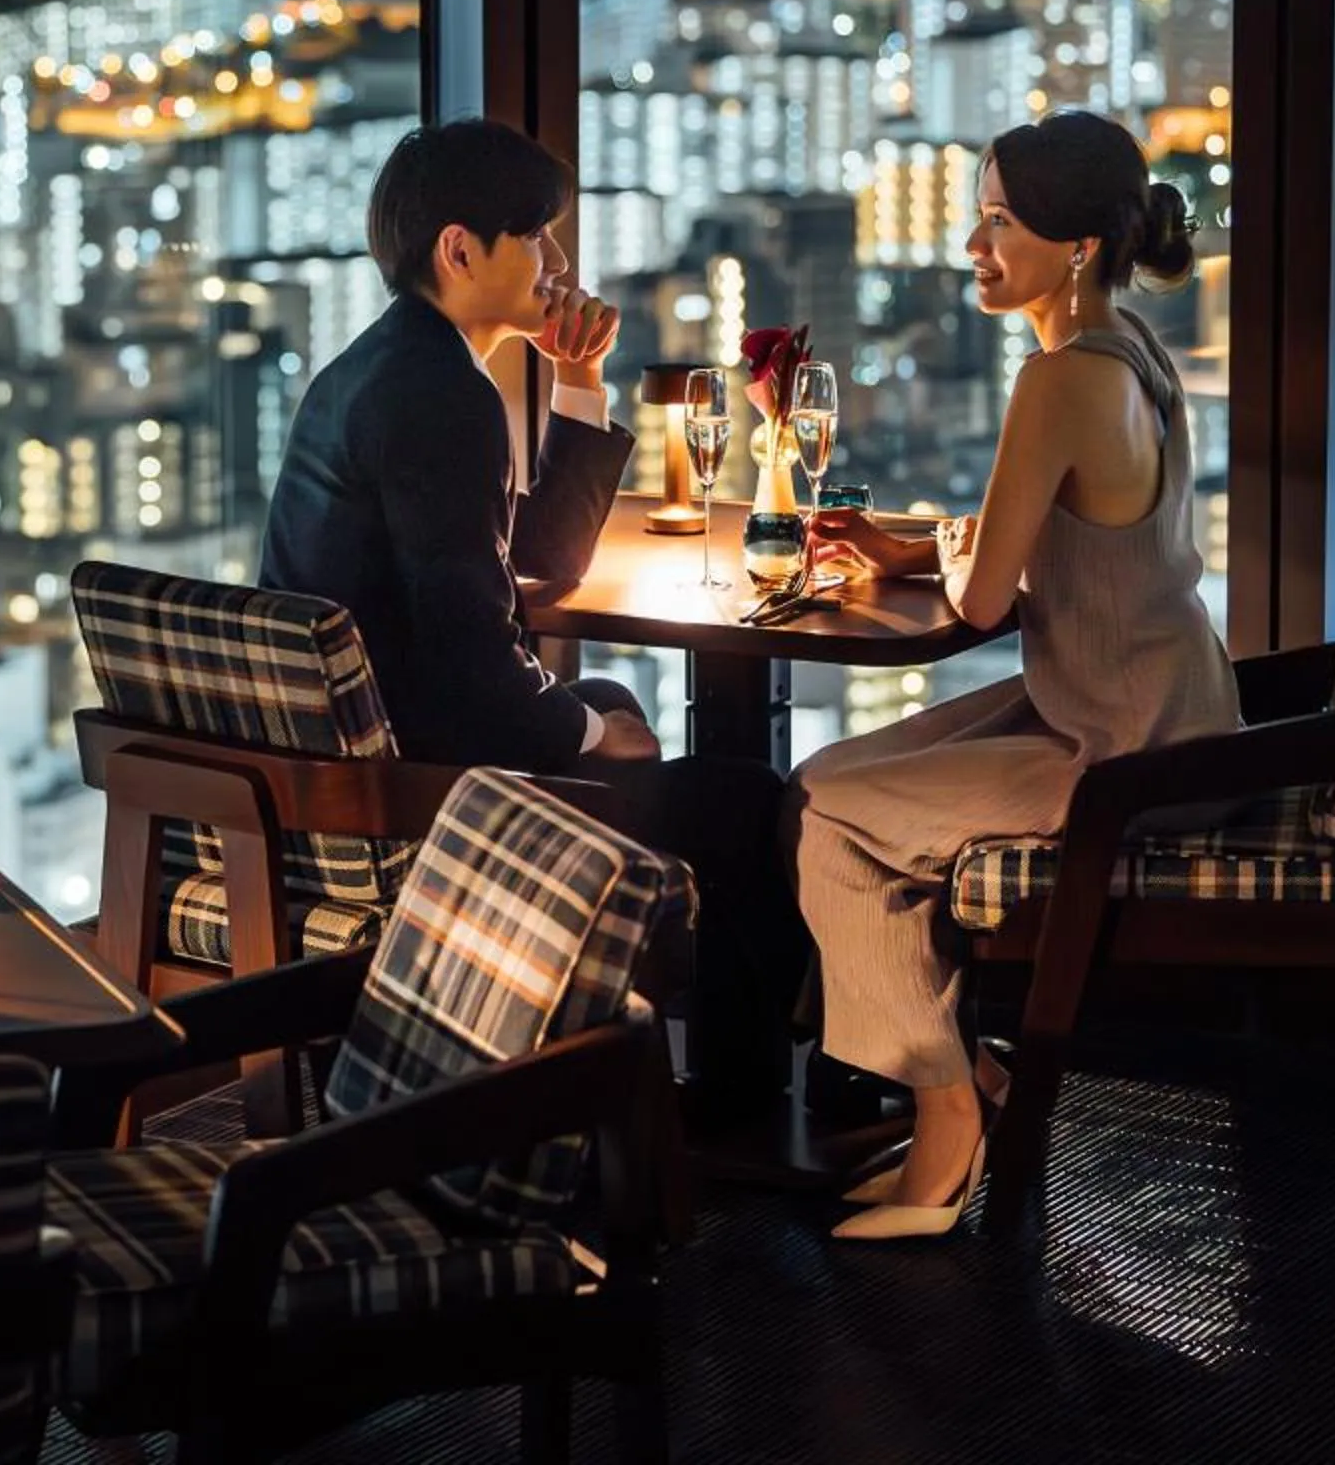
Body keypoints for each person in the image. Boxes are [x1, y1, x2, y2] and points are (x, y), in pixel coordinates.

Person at [262, 116, 807, 1121]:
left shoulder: (383, 369)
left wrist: (581, 379)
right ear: (460, 248)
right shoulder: (437, 396)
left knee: (606, 703)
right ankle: (740, 1109)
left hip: (367, 766)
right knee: (748, 797)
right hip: (428, 797)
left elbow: (537, 568)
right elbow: (473, 664)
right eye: (538, 237)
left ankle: (633, 1080)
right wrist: (595, 733)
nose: (556, 263)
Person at [791, 109, 1239, 1241]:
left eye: (999, 220)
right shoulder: (1129, 346)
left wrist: (944, 556)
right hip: (1155, 702)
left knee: (828, 816)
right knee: (832, 781)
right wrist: (922, 548)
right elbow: (1046, 543)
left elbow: (985, 600)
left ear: (1075, 242)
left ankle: (947, 1115)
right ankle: (964, 1076)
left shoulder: (1062, 378)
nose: (974, 245)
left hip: (1126, 752)